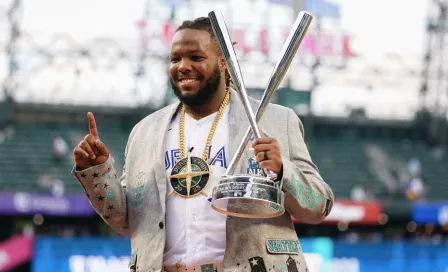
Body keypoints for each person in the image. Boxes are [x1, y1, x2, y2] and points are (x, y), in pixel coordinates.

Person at [72, 17, 333, 272]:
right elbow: (127, 221)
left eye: (196, 57)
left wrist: (281, 172)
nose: (182, 66)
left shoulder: (275, 119)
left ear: (224, 62)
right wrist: (98, 172)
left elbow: (319, 206)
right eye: (175, 59)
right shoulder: (145, 131)